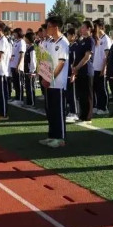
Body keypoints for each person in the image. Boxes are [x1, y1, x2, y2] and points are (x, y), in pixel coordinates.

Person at [39, 16, 69, 148]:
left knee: (59, 111)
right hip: (49, 82)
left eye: (49, 26)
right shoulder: (51, 42)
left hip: (58, 83)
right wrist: (43, 76)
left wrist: (49, 78)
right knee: (51, 111)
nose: (47, 29)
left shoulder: (63, 43)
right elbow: (46, 61)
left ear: (55, 27)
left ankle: (61, 138)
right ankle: (52, 136)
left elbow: (61, 63)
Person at [71, 21, 94, 124]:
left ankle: (87, 117)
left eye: (84, 27)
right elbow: (78, 56)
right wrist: (74, 67)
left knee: (87, 95)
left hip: (87, 71)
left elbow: (87, 57)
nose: (81, 29)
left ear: (89, 29)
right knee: (81, 95)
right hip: (79, 71)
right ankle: (82, 115)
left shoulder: (90, 40)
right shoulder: (81, 41)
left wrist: (77, 67)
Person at [92, 19, 112, 115]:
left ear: (100, 27)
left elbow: (107, 55)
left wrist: (104, 68)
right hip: (95, 68)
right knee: (95, 89)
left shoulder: (106, 39)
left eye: (95, 26)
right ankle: (97, 106)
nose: (93, 29)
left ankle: (104, 108)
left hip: (101, 68)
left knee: (102, 89)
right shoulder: (97, 39)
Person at [65, 28, 79, 123]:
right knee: (69, 94)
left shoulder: (75, 46)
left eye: (69, 35)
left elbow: (75, 61)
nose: (67, 37)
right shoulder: (69, 46)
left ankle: (74, 113)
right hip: (67, 73)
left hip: (72, 73)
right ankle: (71, 111)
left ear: (73, 36)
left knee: (72, 94)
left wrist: (73, 73)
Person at [9, 28, 26, 102]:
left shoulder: (22, 42)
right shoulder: (15, 41)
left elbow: (22, 54)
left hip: (18, 66)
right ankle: (17, 97)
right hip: (12, 64)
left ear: (18, 33)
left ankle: (20, 99)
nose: (13, 34)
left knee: (19, 83)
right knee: (15, 82)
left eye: (15, 33)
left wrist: (18, 65)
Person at [23, 31, 37, 107]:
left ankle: (31, 103)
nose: (25, 39)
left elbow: (33, 60)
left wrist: (32, 71)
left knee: (30, 87)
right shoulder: (28, 47)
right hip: (27, 70)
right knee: (28, 87)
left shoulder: (33, 48)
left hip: (30, 71)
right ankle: (29, 102)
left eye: (26, 38)